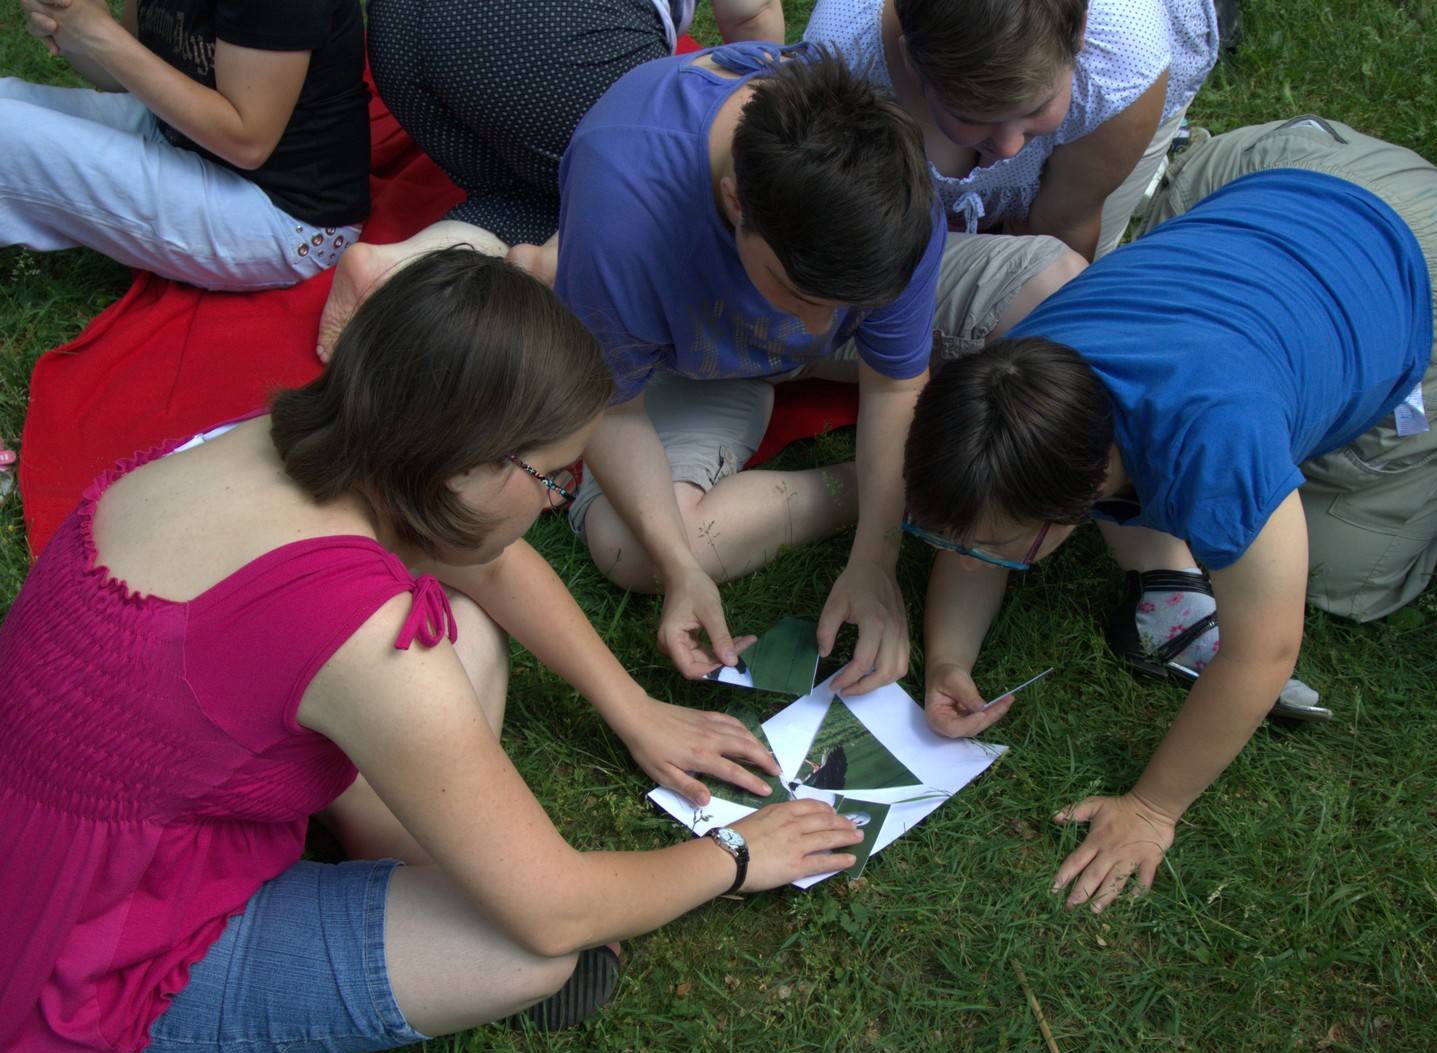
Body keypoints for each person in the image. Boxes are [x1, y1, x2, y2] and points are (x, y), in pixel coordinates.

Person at [0, 249, 863, 1053]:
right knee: (523, 953)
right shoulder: (364, 633)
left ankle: (384, 849)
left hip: (66, 826)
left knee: (466, 634)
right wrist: (736, 856)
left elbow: (484, 561)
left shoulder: (285, 441)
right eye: (554, 477)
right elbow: (554, 907)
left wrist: (633, 709)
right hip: (75, 966)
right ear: (467, 463)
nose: (555, 502)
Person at [901, 117, 1437, 913]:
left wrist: (1151, 810)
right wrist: (948, 660)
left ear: (1078, 503)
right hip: (1284, 175)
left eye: (1002, 547)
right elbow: (976, 528)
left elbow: (1265, 650)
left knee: (1340, 571)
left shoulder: (1215, 449)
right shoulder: (1022, 374)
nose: (973, 554)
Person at [553, 42, 1083, 698]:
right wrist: (681, 567)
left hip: (838, 287)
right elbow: (611, 406)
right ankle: (871, 483)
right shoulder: (624, 203)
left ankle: (886, 459)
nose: (813, 330)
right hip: (690, 359)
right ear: (734, 202)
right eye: (796, 293)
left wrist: (875, 559)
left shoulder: (893, 199)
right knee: (631, 548)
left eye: (837, 307)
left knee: (1058, 292)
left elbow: (892, 381)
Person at [314, 0, 785, 359]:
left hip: (398, 36)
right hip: (548, 35)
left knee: (544, 191)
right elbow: (751, 12)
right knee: (647, 185)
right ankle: (538, 274)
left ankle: (399, 267)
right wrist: (777, 115)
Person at [804, 0, 1219, 260]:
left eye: (1037, 109)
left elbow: (1065, 230)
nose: (1008, 148)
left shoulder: (1123, 66)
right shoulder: (843, 57)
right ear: (911, 62)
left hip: (1107, 116)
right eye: (970, 117)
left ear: (1079, 35)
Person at [2, 0, 370, 290]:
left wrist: (97, 32)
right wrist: (68, 26)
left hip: (285, 214)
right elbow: (126, 74)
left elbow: (247, 143)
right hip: (181, 136)